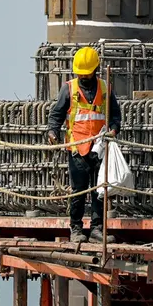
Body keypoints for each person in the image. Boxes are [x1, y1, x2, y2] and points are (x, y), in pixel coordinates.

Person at [46, 46, 122, 245]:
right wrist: (52, 131)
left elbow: (115, 116)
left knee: (99, 190)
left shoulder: (105, 88)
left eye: (86, 74)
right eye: (80, 74)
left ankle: (97, 229)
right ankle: (76, 228)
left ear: (95, 70)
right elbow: (57, 114)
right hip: (77, 149)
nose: (83, 78)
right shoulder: (69, 88)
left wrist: (114, 129)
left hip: (100, 148)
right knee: (78, 190)